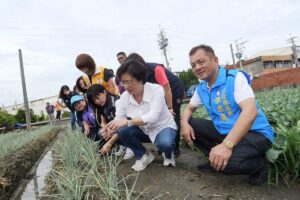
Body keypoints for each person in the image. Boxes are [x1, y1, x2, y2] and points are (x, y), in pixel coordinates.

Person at [181, 44, 275, 186]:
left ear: (215, 60)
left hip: (255, 133)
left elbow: (251, 112)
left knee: (228, 165)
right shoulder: (201, 88)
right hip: (226, 131)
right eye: (193, 65)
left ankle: (260, 165)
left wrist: (226, 145)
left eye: (201, 62)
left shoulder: (234, 78)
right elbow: (188, 108)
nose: (197, 68)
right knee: (192, 124)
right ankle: (213, 160)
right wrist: (184, 124)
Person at [101, 59, 177, 172]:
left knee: (165, 143)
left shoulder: (156, 90)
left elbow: (153, 117)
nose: (126, 86)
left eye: (129, 81)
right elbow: (119, 118)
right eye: (123, 82)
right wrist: (111, 129)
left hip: (162, 127)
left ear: (141, 79)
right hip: (144, 130)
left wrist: (128, 122)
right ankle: (143, 155)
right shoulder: (125, 97)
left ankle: (168, 153)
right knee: (122, 132)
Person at [126, 53, 185, 157]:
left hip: (173, 89)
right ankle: (162, 141)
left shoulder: (156, 69)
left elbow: (167, 88)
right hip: (161, 91)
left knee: (172, 116)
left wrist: (170, 107)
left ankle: (174, 148)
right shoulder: (140, 75)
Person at [86, 84, 134, 159]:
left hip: (128, 125)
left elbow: (123, 123)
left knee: (119, 130)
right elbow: (103, 122)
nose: (97, 101)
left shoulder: (117, 101)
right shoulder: (100, 107)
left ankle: (131, 146)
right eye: (94, 100)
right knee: (102, 132)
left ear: (104, 92)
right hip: (116, 128)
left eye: (98, 97)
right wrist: (106, 129)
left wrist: (109, 143)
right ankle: (123, 145)